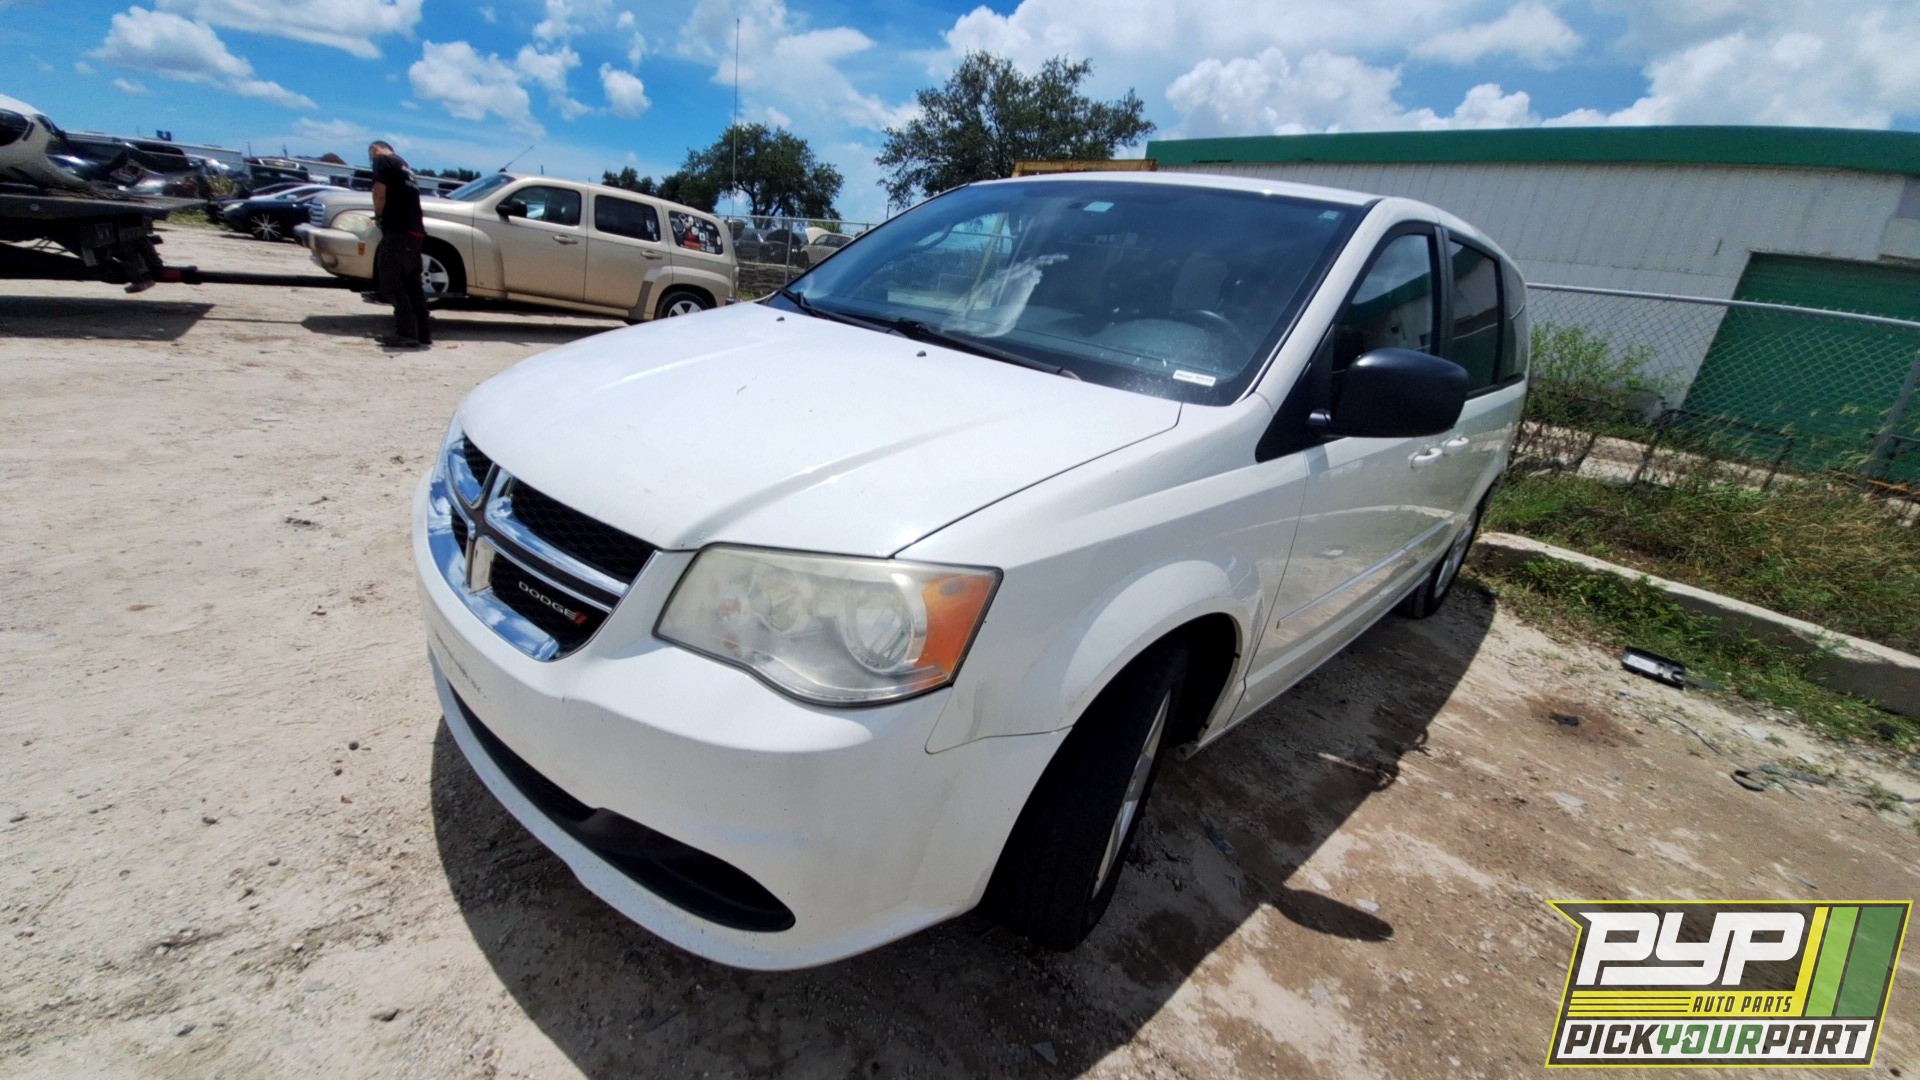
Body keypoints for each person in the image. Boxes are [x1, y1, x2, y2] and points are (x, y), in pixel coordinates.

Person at [368, 140, 430, 349]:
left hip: (398, 230)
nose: (371, 163)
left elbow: (379, 192)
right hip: (415, 231)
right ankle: (423, 333)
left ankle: (406, 334)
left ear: (375, 150)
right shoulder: (405, 167)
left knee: (391, 281)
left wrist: (379, 217)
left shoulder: (383, 161)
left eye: (370, 157)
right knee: (412, 283)